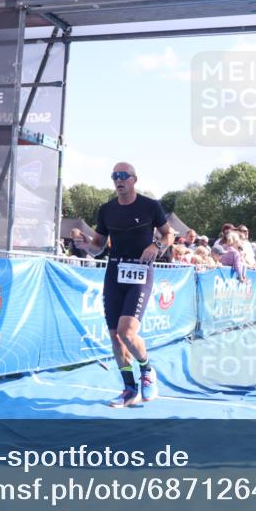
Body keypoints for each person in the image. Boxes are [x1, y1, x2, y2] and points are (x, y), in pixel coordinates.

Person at [72, 162, 174, 409]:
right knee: (115, 337)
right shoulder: (106, 209)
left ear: (134, 180)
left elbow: (169, 235)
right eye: (114, 176)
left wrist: (157, 245)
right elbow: (98, 246)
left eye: (123, 176)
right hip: (114, 271)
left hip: (140, 272)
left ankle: (147, 370)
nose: (118, 180)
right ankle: (129, 389)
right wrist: (88, 245)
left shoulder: (150, 206)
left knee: (127, 333)